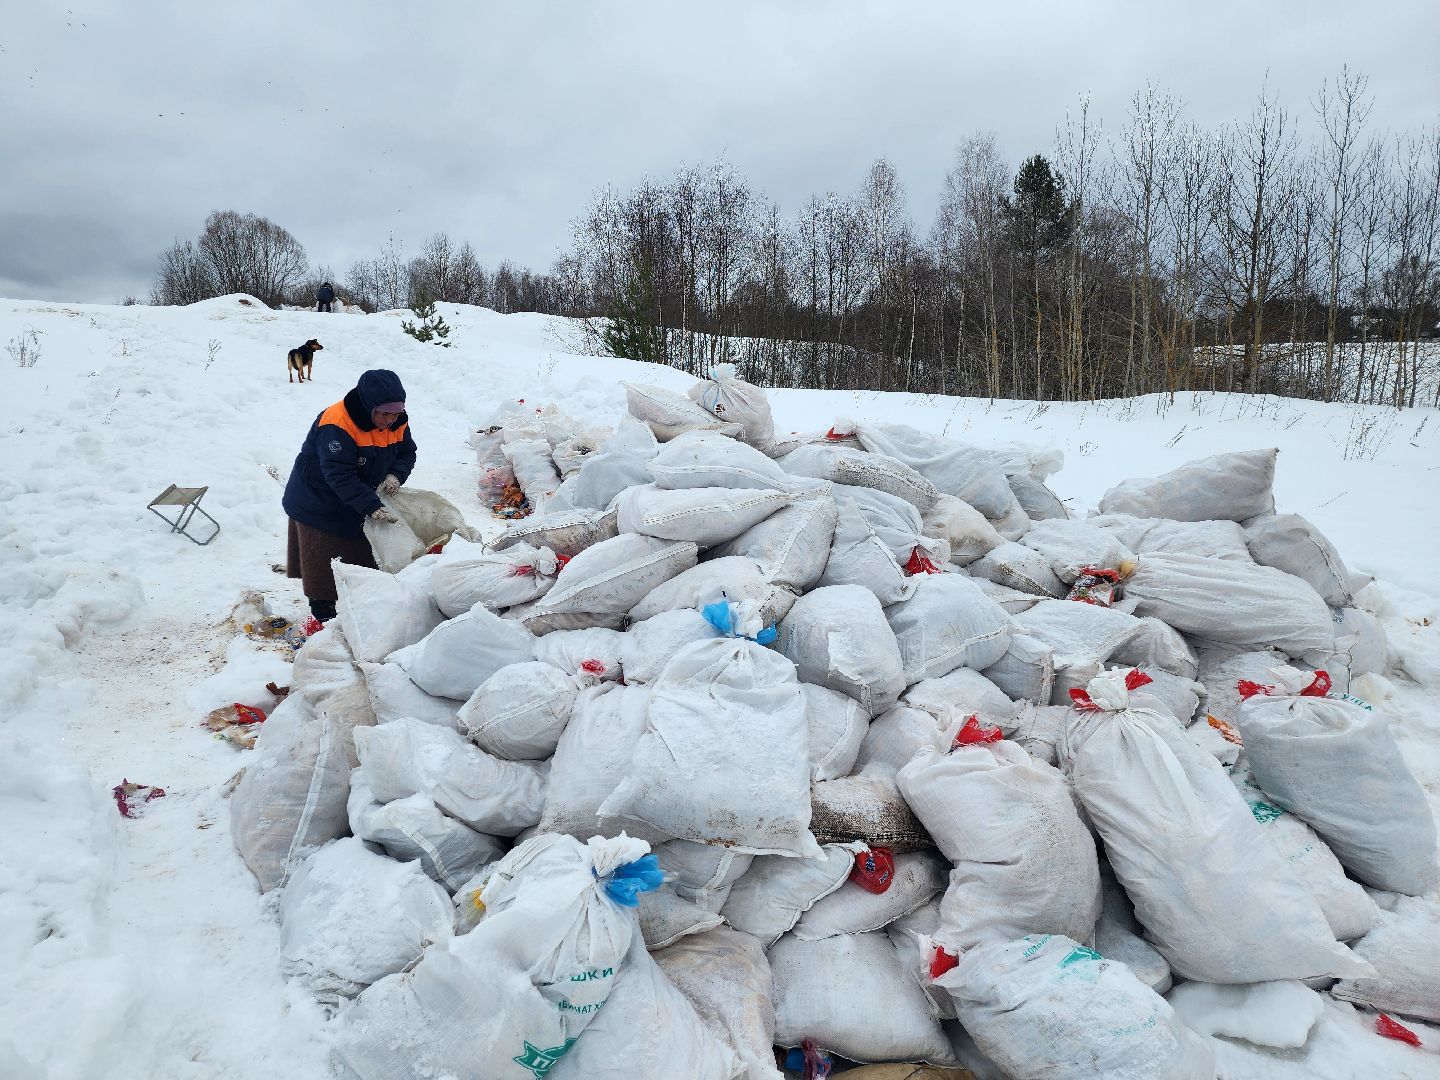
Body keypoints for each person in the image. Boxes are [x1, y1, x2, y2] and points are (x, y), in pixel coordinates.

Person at [283, 368, 416, 623]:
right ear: (369, 405)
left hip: (356, 497)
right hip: (318, 501)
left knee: (363, 555)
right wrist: (371, 505)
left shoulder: (398, 421)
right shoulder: (337, 423)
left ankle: (362, 611)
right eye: (384, 413)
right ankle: (325, 619)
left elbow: (407, 452)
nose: (390, 420)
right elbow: (339, 475)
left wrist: (395, 475)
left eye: (395, 413)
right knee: (324, 562)